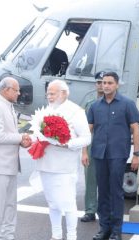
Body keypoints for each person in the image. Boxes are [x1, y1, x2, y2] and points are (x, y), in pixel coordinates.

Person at [88, 71, 139, 240]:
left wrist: (136, 154)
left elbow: (135, 129)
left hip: (118, 154)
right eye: (103, 82)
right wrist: (83, 151)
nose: (106, 85)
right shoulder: (95, 106)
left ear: (117, 85)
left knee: (116, 192)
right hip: (99, 154)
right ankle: (104, 228)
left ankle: (117, 230)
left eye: (110, 83)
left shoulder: (127, 104)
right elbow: (87, 130)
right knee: (102, 191)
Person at [37, 80, 91, 240]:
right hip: (45, 164)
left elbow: (87, 138)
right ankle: (56, 235)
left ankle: (72, 236)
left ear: (64, 94)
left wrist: (68, 144)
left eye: (52, 93)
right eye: (48, 93)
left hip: (65, 167)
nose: (49, 96)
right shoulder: (45, 111)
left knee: (67, 204)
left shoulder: (76, 112)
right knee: (52, 203)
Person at [0, 77, 31, 240]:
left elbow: (9, 135)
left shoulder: (8, 106)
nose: (19, 93)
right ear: (5, 90)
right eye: (16, 90)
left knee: (10, 204)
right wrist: (21, 137)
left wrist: (22, 142)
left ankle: (8, 235)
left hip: (9, 163)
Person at [80, 71, 105, 223]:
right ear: (95, 84)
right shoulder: (89, 103)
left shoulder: (117, 102)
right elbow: (84, 128)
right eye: (99, 82)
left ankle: (104, 210)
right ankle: (90, 210)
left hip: (108, 146)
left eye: (104, 82)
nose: (102, 85)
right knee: (90, 180)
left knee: (106, 180)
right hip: (91, 144)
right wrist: (84, 150)